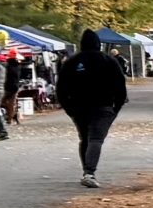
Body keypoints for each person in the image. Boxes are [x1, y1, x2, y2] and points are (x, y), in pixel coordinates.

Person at [55, 28, 130, 187]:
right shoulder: (109, 61)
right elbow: (120, 87)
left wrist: (68, 108)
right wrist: (116, 108)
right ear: (98, 44)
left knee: (85, 138)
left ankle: (87, 171)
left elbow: (61, 88)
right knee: (96, 139)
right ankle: (89, 172)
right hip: (104, 107)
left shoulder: (72, 62)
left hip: (78, 107)